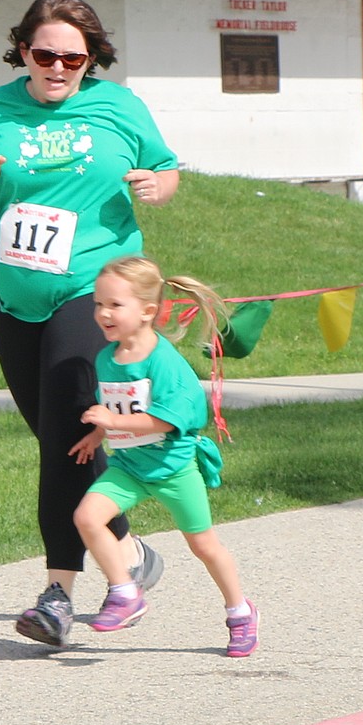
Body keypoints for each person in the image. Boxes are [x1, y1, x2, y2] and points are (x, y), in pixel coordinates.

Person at [0, 0, 180, 648]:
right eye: (46, 54)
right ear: (24, 53)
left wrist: (158, 185)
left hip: (94, 291)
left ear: (92, 58)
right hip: (18, 303)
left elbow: (166, 166)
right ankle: (129, 550)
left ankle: (59, 595)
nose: (59, 67)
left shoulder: (118, 106)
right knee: (60, 443)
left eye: (74, 56)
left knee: (65, 435)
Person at [70, 254, 259, 658]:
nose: (103, 313)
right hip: (129, 467)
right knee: (86, 517)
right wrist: (98, 433)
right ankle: (125, 593)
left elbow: (168, 420)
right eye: (98, 304)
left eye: (115, 305)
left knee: (204, 545)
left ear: (148, 311)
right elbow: (118, 404)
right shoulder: (108, 358)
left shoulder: (164, 362)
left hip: (173, 469)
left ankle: (240, 612)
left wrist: (111, 419)